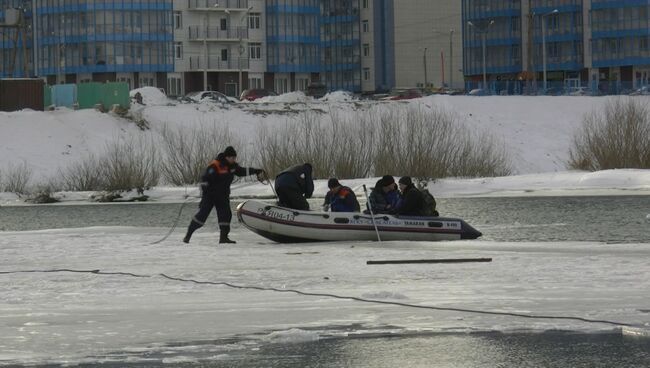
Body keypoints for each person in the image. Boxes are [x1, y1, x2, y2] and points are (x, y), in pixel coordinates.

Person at [183, 146, 265, 244]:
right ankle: (188, 235)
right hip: (210, 196)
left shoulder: (233, 166)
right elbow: (204, 180)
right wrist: (206, 193)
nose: (234, 159)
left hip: (223, 196)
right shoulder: (215, 165)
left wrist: (256, 171)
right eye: (232, 158)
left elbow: (242, 171)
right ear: (227, 157)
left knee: (226, 215)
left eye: (235, 158)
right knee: (202, 217)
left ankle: (223, 238)